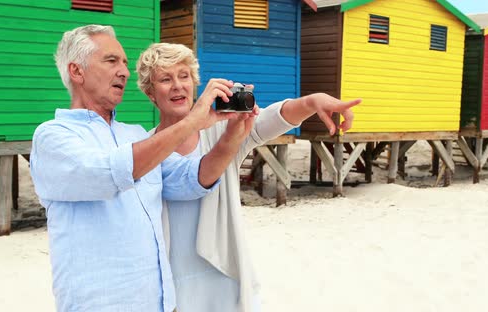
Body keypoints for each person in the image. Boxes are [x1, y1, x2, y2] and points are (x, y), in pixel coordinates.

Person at [30, 25, 254, 312]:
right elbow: (111, 173)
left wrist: (232, 135)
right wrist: (193, 121)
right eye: (111, 61)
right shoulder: (54, 137)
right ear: (77, 71)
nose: (124, 71)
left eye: (124, 63)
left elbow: (191, 179)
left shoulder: (134, 135)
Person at [135, 42, 361, 312]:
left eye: (184, 76)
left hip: (225, 274)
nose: (177, 86)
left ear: (195, 83)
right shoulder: (144, 150)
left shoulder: (223, 133)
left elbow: (273, 119)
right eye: (165, 79)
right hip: (173, 283)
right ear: (150, 92)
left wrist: (311, 102)